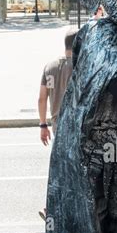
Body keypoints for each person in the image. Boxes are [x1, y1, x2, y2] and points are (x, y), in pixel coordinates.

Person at [37, 31, 74, 221]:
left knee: (60, 169)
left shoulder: (50, 67)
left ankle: (52, 208)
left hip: (57, 126)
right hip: (76, 127)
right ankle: (58, 209)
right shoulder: (80, 66)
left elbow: (42, 98)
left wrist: (43, 124)